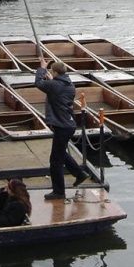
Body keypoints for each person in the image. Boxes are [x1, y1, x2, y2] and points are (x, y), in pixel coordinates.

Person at [35, 57, 89, 200]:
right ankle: (79, 173)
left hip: (62, 126)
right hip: (68, 124)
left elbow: (38, 83)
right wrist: (51, 79)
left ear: (55, 73)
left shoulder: (55, 85)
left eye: (52, 71)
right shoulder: (69, 84)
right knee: (60, 153)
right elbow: (54, 89)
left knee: (55, 161)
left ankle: (59, 192)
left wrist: (42, 69)